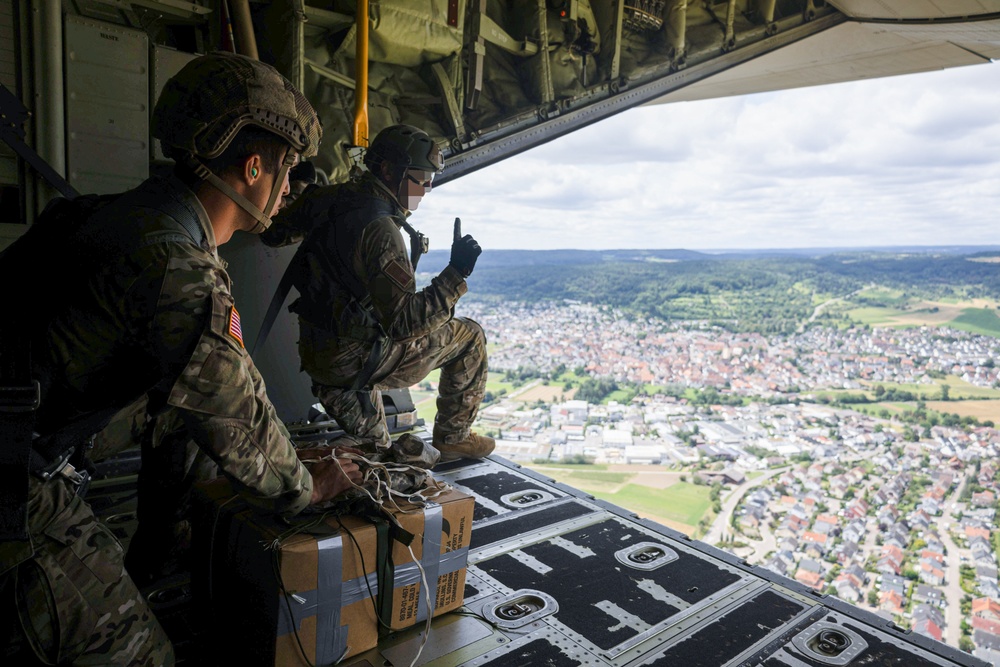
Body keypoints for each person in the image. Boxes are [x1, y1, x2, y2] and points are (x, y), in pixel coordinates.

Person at [0, 52, 363, 665]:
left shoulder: (109, 214)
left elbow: (213, 395)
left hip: (31, 425)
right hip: (15, 483)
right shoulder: (178, 270)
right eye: (287, 170)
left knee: (177, 411)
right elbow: (237, 414)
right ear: (253, 168)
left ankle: (162, 565)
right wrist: (307, 485)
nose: (288, 191)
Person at [261, 124, 494, 462]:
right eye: (420, 179)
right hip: (357, 361)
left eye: (431, 180)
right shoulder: (382, 231)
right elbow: (404, 324)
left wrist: (298, 188)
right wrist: (455, 274)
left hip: (320, 353)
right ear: (388, 170)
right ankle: (453, 437)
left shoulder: (328, 198)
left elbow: (272, 232)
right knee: (470, 335)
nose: (426, 189)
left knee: (381, 454)